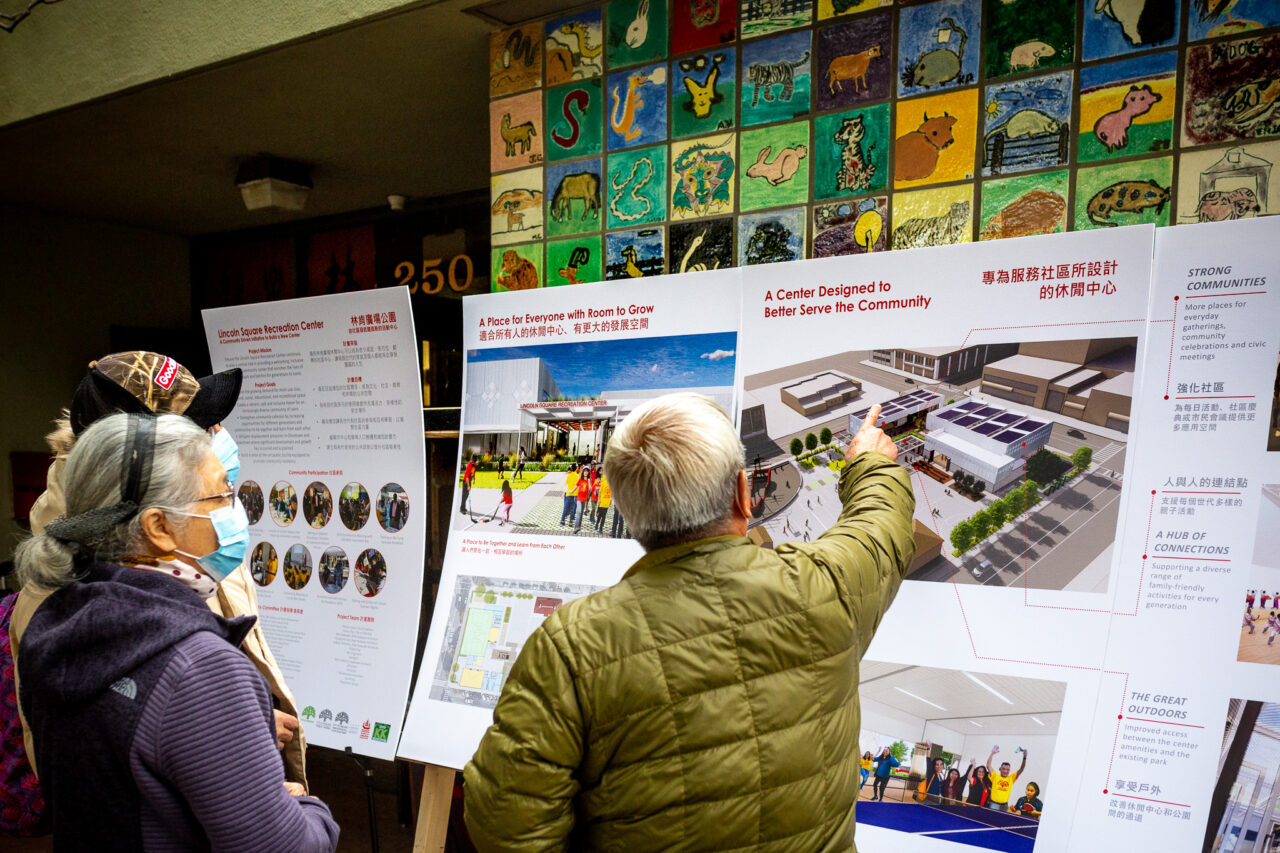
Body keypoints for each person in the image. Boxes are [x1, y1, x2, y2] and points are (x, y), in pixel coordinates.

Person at [463, 396, 917, 850]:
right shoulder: (824, 589)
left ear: (627, 510)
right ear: (743, 492)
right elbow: (878, 527)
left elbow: (507, 824)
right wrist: (870, 462)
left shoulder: (572, 645)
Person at [15, 413, 339, 850]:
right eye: (222, 494)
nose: (235, 510)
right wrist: (307, 809)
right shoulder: (199, 666)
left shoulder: (53, 626)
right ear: (159, 528)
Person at [16, 351, 308, 790]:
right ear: (135, 447)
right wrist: (233, 731)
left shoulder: (198, 532)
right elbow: (85, 762)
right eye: (200, 427)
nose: (219, 436)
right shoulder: (61, 587)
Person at [987, 746, 1028, 811]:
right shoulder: (995, 776)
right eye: (1003, 769)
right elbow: (988, 765)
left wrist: (1024, 757)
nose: (1005, 771)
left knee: (1002, 821)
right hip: (994, 804)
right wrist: (992, 753)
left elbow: (1021, 769)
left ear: (1009, 770)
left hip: (1005, 805)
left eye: (1007, 769)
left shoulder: (1011, 778)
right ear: (1000, 769)